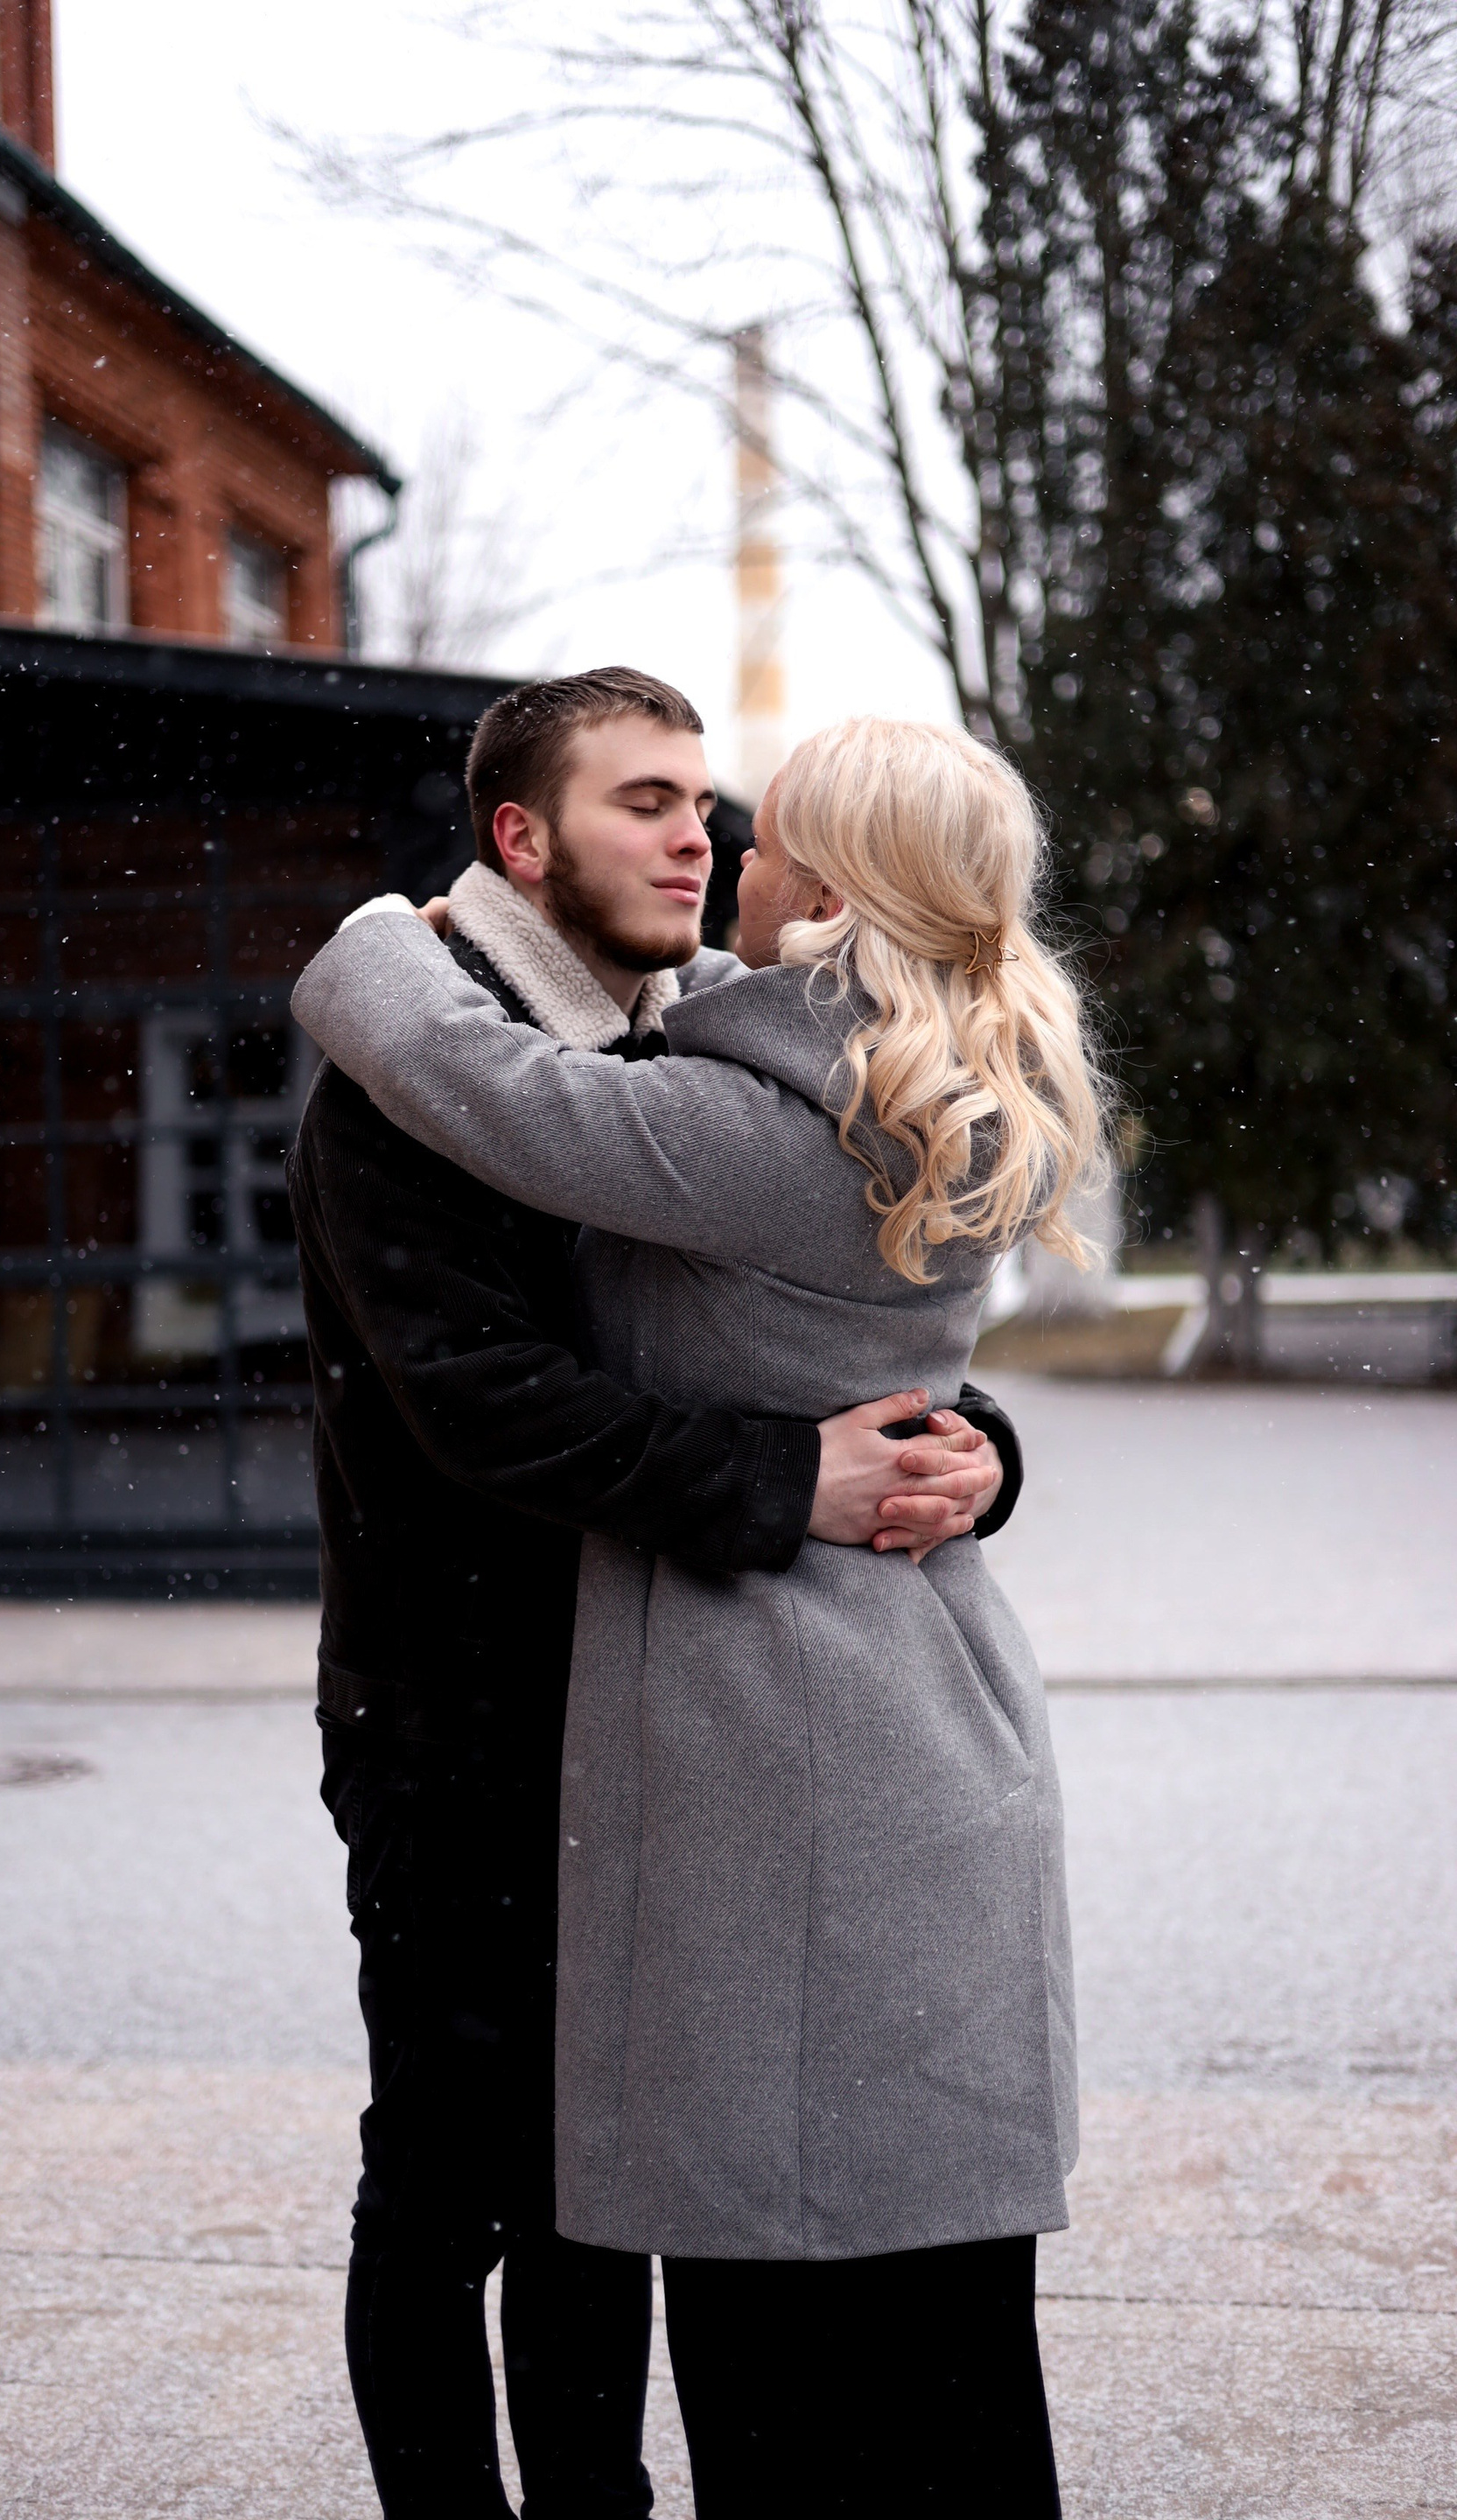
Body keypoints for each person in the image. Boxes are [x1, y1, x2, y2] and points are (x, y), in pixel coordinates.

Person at [293, 710, 1104, 2516]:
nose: (708, 843)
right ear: (523, 839)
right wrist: (905, 1456)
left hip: (740, 1729)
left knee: (687, 2225)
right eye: (651, 804)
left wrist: (369, 939)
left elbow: (520, 1106)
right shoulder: (860, 1084)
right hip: (499, 1716)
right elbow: (509, 1400)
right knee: (482, 2191)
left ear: (834, 895)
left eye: (737, 821)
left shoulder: (726, 1103)